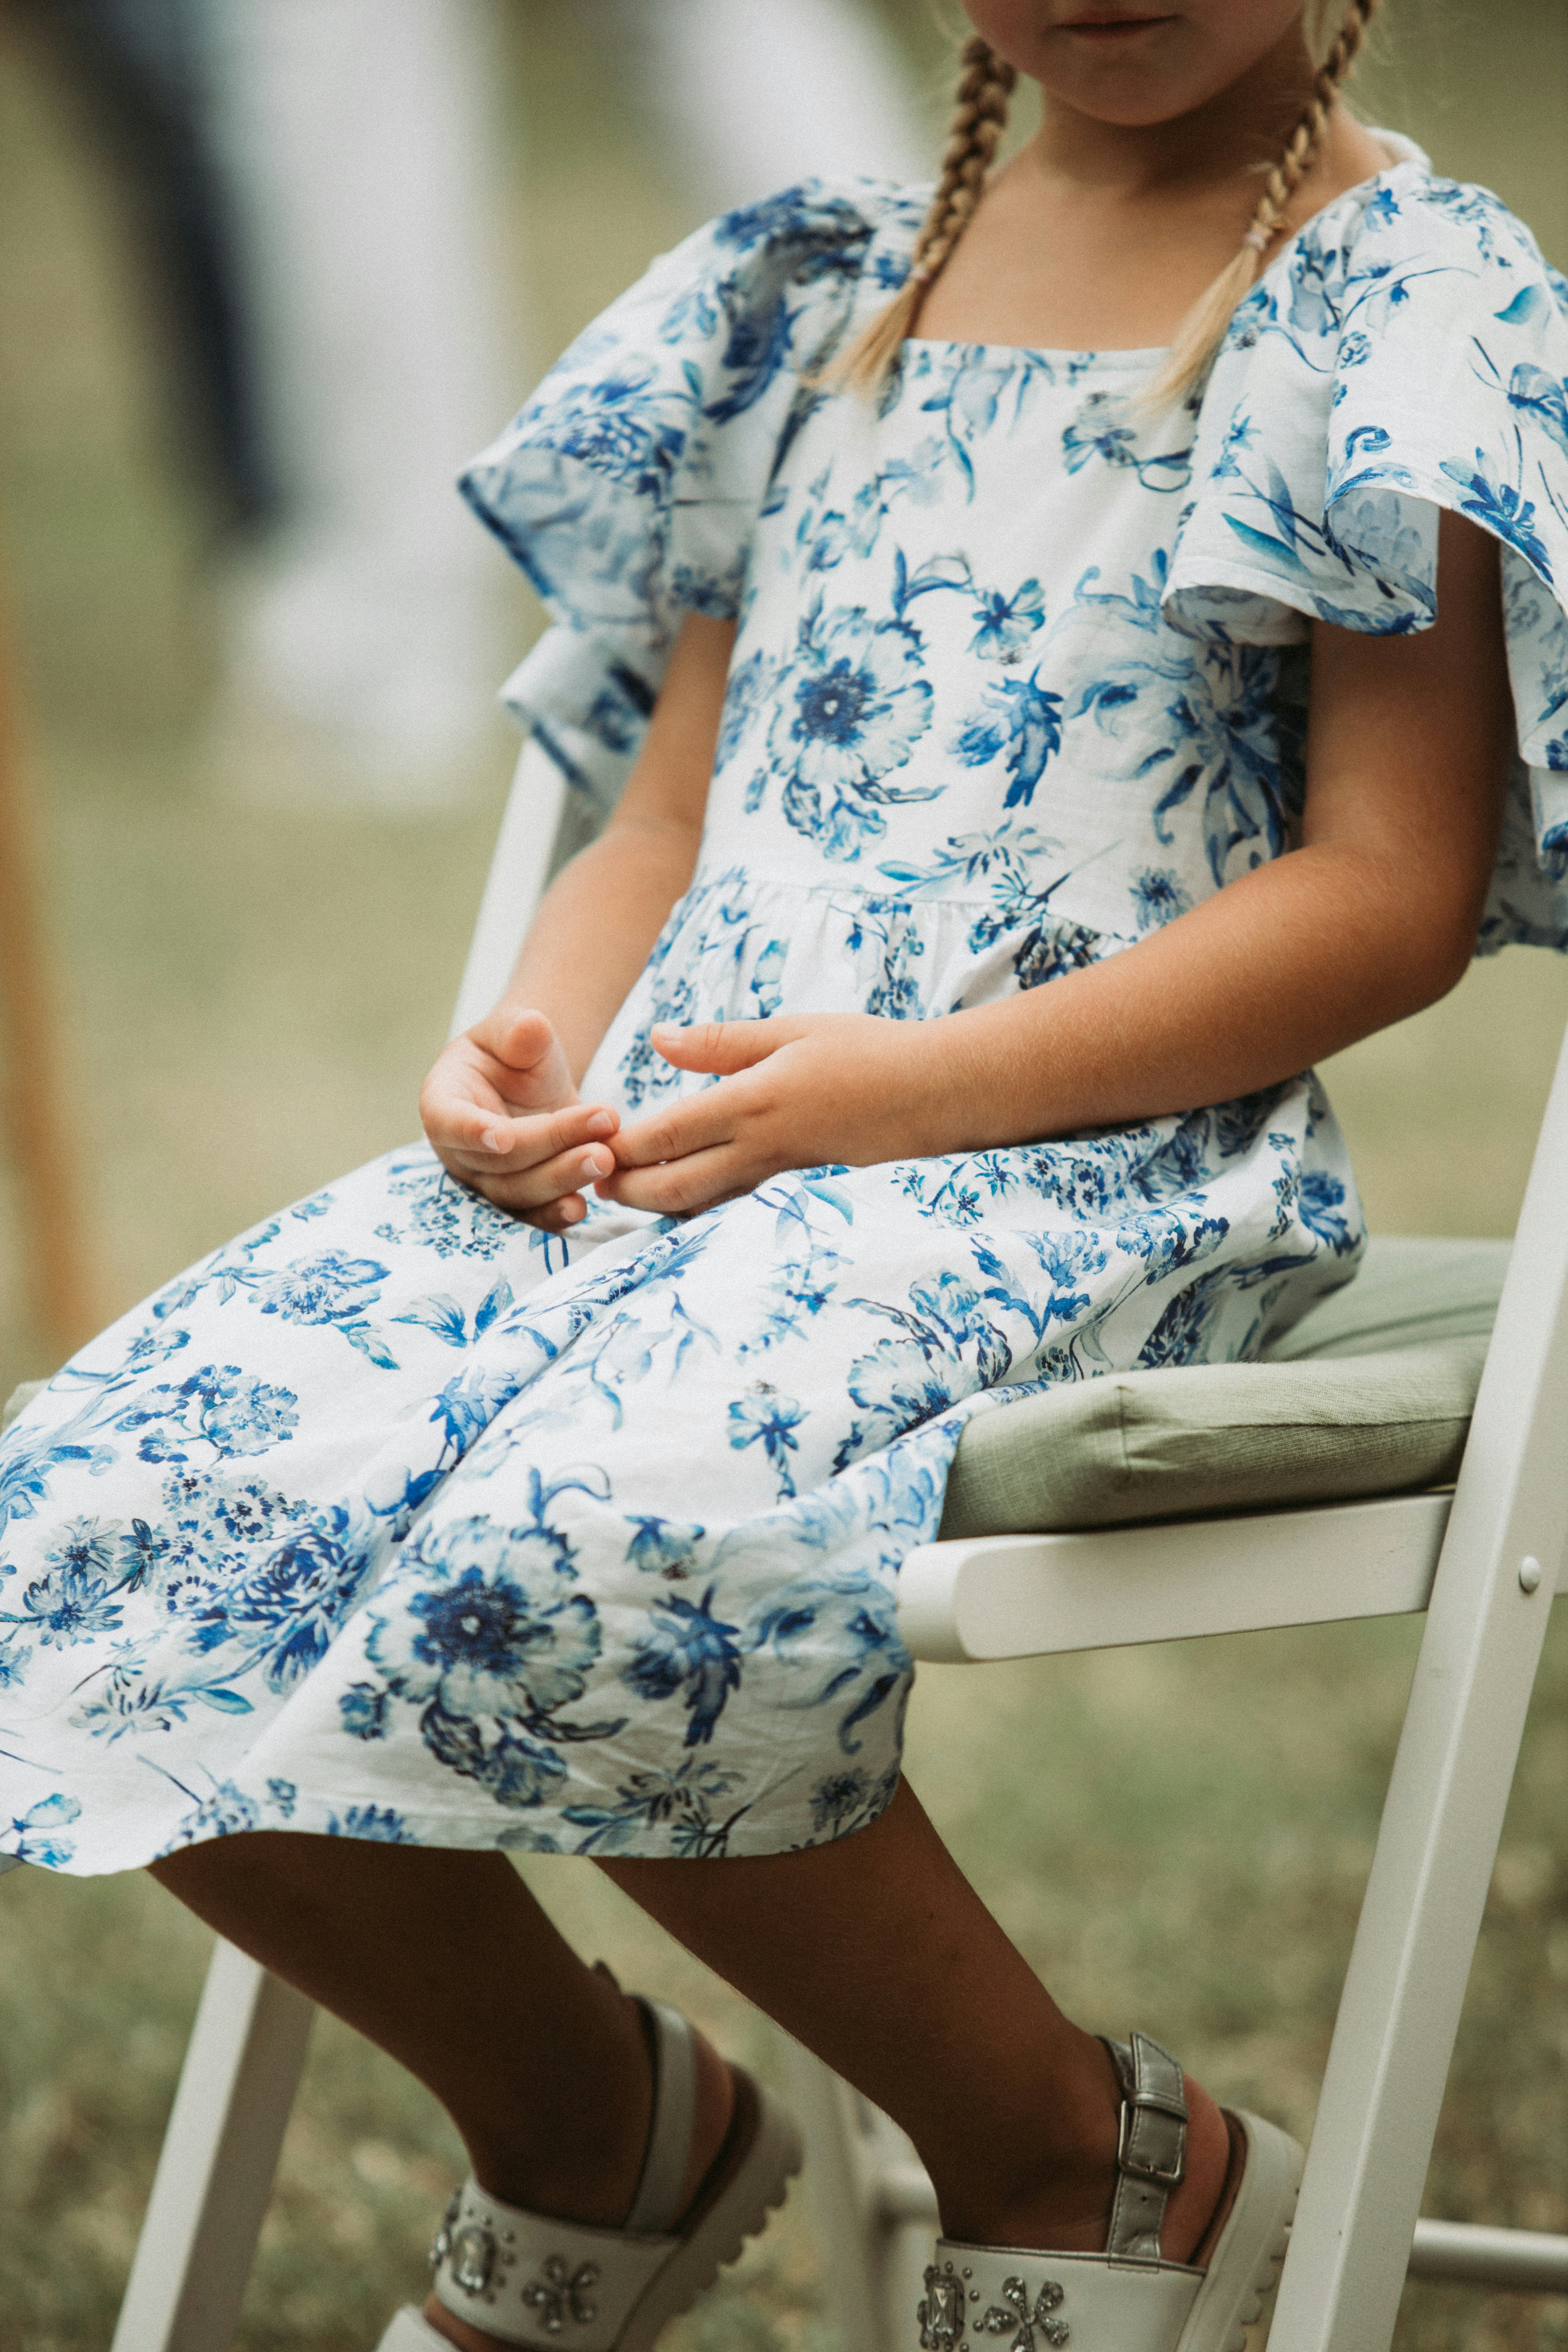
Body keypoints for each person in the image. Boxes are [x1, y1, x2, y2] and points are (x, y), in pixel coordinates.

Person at [4, 3, 1568, 2347]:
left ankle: (1075, 2157)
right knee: (87, 1518)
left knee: (596, 1536)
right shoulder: (804, 292)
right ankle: (591, 2127)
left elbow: (1389, 897)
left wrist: (892, 1094)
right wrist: (525, 1032)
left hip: (1084, 1184)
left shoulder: (1396, 300)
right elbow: (664, 811)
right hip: (669, 1169)